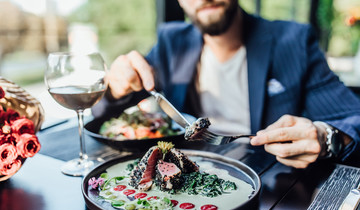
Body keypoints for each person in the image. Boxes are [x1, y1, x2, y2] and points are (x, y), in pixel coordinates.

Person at [92, 0, 360, 169]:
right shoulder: (172, 42)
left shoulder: (293, 41)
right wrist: (114, 87)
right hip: (191, 179)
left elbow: (354, 118)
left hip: (274, 189)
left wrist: (326, 138)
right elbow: (103, 112)